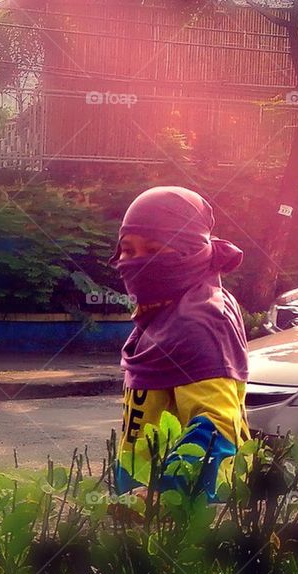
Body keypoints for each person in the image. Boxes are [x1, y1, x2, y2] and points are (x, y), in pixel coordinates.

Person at [110, 186, 251, 500]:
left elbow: (217, 425)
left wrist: (166, 493)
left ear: (191, 252)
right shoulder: (163, 312)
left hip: (186, 512)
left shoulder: (199, 321)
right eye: (128, 250)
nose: (137, 263)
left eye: (155, 250)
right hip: (143, 499)